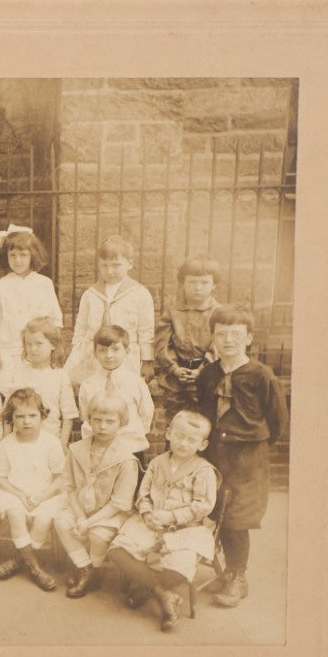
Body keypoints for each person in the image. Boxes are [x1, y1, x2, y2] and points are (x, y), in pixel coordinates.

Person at [194, 306, 288, 608]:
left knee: (238, 517)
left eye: (235, 335)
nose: (228, 340)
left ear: (248, 338)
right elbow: (203, 411)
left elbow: (277, 420)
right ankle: (224, 567)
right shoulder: (208, 374)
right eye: (221, 334)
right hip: (215, 455)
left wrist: (255, 444)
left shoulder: (262, 375)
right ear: (213, 338)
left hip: (248, 457)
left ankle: (238, 576)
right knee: (215, 508)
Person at [110, 410, 218, 630]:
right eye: (179, 436)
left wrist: (171, 516)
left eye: (191, 440)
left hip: (185, 528)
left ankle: (148, 588)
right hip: (150, 523)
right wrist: (147, 513)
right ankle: (164, 594)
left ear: (203, 444)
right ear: (168, 433)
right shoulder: (158, 463)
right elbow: (144, 493)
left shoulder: (204, 471)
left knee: (179, 567)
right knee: (117, 551)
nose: (184, 443)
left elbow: (203, 505)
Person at [52, 393, 141, 599]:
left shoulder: (126, 459)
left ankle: (97, 568)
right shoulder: (76, 450)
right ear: (89, 420)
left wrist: (89, 522)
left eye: (110, 422)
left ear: (121, 423)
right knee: (61, 521)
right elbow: (70, 487)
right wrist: (81, 517)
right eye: (97, 420)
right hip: (80, 506)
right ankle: (86, 568)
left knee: (96, 535)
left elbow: (120, 502)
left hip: (110, 512)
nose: (102, 427)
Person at [0, 388, 67, 592]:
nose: (26, 421)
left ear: (42, 416)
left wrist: (41, 497)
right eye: (20, 416)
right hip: (14, 491)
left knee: (43, 519)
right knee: (15, 511)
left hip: (46, 492)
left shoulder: (51, 442)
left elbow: (60, 479)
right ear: (11, 419)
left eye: (32, 415)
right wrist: (21, 495)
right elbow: (1, 478)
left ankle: (19, 559)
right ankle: (35, 568)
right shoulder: (7, 444)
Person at [65, 235, 155, 386]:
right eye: (104, 265)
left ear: (130, 264)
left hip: (123, 355)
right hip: (93, 354)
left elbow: (146, 330)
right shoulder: (90, 294)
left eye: (116, 265)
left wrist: (147, 361)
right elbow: (81, 328)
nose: (110, 271)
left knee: (122, 390)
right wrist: (76, 354)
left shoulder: (140, 294)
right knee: (91, 389)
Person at [0, 225, 62, 378]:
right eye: (12, 255)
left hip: (38, 350)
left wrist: (54, 350)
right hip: (9, 351)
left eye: (23, 255)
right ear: (6, 256)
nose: (17, 260)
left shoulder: (44, 283)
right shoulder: (1, 285)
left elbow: (55, 320)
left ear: (32, 255)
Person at [0, 316, 77, 450]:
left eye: (39, 343)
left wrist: (62, 445)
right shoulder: (18, 374)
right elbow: (7, 414)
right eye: (29, 344)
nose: (33, 349)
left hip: (50, 443)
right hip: (20, 443)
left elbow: (68, 416)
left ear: (52, 344)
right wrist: (5, 443)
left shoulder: (60, 376)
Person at [154, 255, 222, 414]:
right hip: (176, 378)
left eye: (204, 282)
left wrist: (202, 370)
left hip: (207, 376)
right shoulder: (172, 310)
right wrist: (174, 368)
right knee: (175, 420)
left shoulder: (218, 312)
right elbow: (162, 342)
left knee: (205, 421)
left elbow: (218, 346)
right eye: (192, 282)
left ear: (214, 285)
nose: (198, 287)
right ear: (183, 283)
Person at [77, 325, 154, 456]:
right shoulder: (88, 385)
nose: (109, 355)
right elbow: (86, 416)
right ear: (95, 353)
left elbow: (146, 414)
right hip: (97, 450)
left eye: (115, 349)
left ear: (127, 351)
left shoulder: (136, 383)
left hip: (131, 448)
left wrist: (133, 436)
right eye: (102, 350)